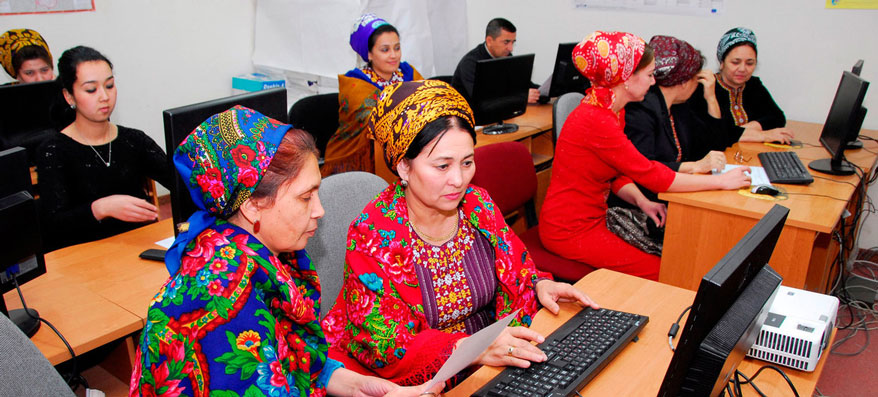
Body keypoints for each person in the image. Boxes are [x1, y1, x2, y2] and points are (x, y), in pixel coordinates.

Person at [130, 106, 439, 397]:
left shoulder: (266, 251)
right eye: (306, 198)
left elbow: (297, 358)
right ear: (252, 205)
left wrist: (361, 385)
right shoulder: (224, 303)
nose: (320, 210)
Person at [321, 80, 598, 388]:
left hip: (491, 358)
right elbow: (384, 344)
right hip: (423, 379)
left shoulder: (477, 204)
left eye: (467, 162)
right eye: (442, 166)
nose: (459, 179)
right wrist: (473, 348)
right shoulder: (373, 231)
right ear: (403, 166)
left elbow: (517, 268)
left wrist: (540, 283)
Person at [539, 31, 751, 281]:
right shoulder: (598, 119)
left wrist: (642, 202)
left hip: (593, 218)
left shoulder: (611, 108)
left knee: (673, 257)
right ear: (627, 79)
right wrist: (720, 181)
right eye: (650, 75)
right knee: (665, 271)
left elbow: (616, 173)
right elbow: (652, 175)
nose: (654, 83)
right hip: (569, 229)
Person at [36, 46, 170, 251]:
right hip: (84, 257)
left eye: (109, 86)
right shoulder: (54, 151)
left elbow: (178, 181)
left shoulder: (133, 140)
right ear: (69, 96)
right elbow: (53, 225)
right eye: (91, 90)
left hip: (137, 247)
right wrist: (99, 209)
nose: (104, 96)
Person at [613, 35, 727, 206]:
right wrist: (695, 166)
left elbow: (715, 142)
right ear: (683, 82)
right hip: (645, 203)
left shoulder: (678, 107)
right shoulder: (639, 112)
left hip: (668, 195)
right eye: (696, 79)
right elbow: (643, 170)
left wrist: (711, 98)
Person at [322, 13, 423, 176]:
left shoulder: (407, 72)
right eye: (385, 50)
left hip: (402, 152)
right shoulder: (355, 83)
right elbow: (376, 121)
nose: (394, 55)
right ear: (368, 54)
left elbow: (429, 101)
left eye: (397, 48)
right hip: (356, 163)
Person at [690, 27, 793, 146]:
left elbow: (777, 118)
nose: (743, 69)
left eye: (749, 63)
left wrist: (741, 131)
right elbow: (711, 133)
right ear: (722, 63)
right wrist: (762, 135)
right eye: (735, 62)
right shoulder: (704, 86)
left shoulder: (753, 85)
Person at [451, 17, 540, 104]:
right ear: (489, 41)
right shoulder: (470, 63)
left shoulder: (506, 56)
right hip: (469, 115)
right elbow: (483, 99)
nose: (511, 48)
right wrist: (521, 98)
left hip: (496, 112)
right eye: (506, 42)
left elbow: (522, 83)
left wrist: (545, 91)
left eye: (513, 42)